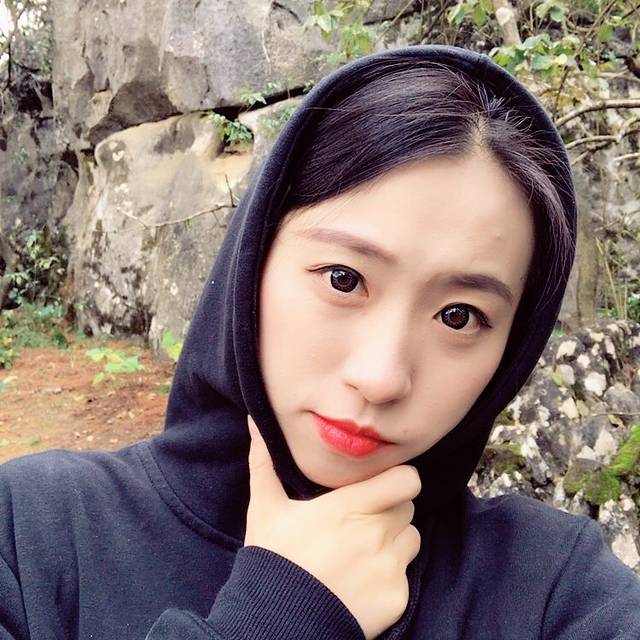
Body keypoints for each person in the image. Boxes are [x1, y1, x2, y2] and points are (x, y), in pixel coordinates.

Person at [1, 44, 639, 640]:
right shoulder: (32, 538)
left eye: (458, 316)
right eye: (344, 279)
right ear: (255, 260)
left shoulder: (557, 591)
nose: (381, 377)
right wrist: (282, 615)